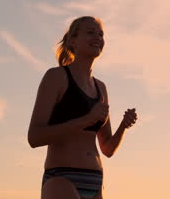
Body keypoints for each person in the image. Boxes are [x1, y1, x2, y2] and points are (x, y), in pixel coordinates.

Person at [27, 16, 138, 199]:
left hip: (95, 181)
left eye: (101, 34)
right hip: (62, 178)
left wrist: (123, 126)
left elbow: (107, 149)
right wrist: (85, 120)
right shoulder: (56, 77)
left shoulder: (101, 88)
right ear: (73, 41)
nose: (98, 37)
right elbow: (35, 137)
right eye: (90, 32)